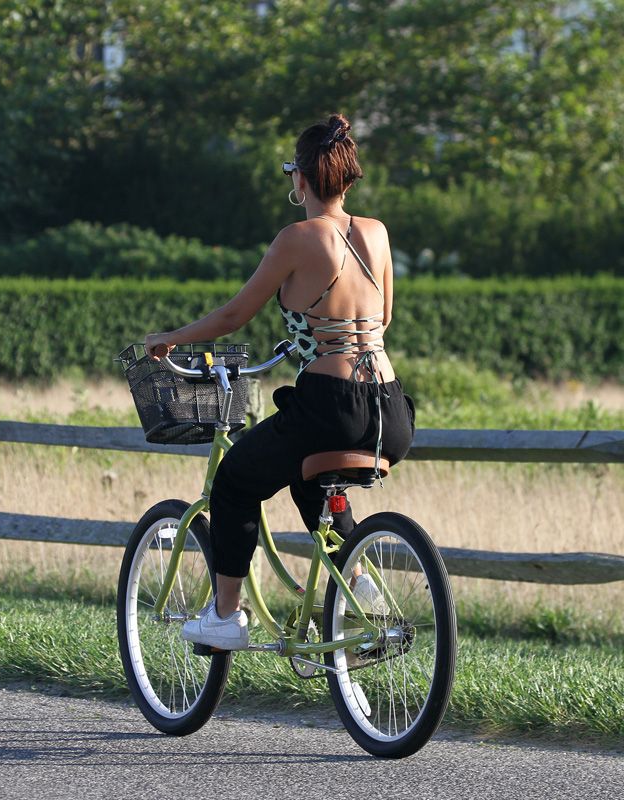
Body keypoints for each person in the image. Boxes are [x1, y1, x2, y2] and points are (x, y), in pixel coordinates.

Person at [144, 113, 415, 650]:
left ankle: (225, 617)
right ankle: (356, 587)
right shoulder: (378, 233)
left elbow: (231, 318)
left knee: (235, 484)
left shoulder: (297, 238)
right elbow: (381, 319)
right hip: (390, 407)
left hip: (330, 404)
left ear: (301, 178)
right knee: (308, 476)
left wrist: (170, 337)